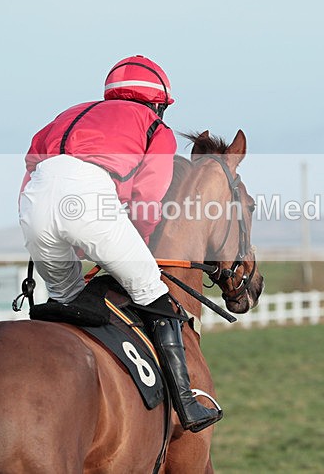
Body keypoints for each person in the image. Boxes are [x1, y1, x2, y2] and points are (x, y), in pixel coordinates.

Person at [18, 55, 222, 432]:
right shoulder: (154, 127)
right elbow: (149, 193)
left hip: (33, 204)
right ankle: (187, 403)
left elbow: (31, 166)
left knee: (68, 299)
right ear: (158, 104)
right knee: (151, 290)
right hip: (91, 204)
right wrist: (138, 244)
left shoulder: (68, 114)